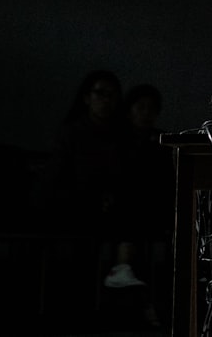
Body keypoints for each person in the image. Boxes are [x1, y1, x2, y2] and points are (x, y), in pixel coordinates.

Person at [45, 71, 170, 327]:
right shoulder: (73, 134)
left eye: (113, 95)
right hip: (75, 206)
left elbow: (125, 175)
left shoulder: (120, 136)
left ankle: (128, 290)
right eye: (101, 93)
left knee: (134, 207)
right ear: (86, 97)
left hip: (113, 207)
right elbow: (59, 179)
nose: (107, 100)